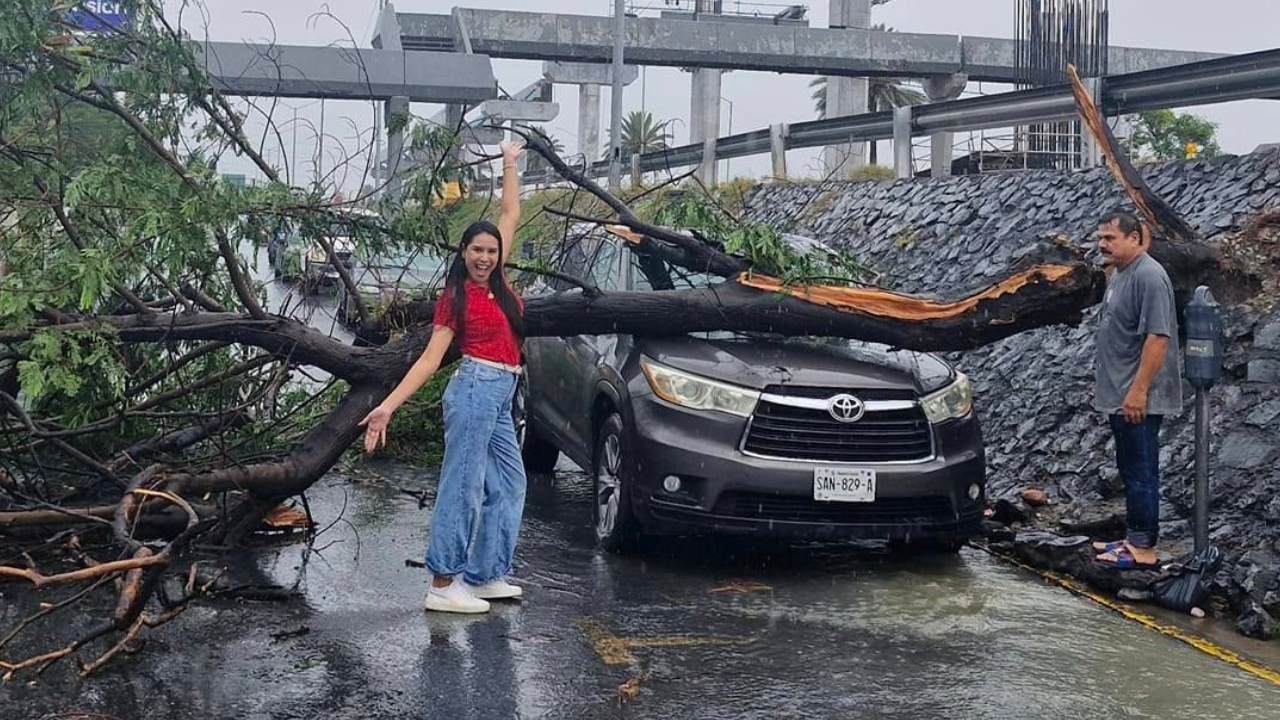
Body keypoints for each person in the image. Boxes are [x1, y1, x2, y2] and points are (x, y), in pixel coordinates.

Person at [360, 141, 528, 613]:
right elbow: (431, 358)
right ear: (464, 251)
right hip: (475, 389)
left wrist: (509, 162)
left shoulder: (499, 284)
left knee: (511, 485)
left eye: (491, 250)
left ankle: (486, 573)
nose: (486, 257)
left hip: (501, 394)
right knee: (463, 485)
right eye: (477, 250)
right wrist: (388, 405)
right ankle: (443, 582)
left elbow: (510, 212)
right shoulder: (455, 296)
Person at [1090, 211, 1183, 569]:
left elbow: (1158, 338)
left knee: (1142, 469)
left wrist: (1138, 391)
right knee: (1129, 467)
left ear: (1135, 238)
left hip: (1137, 397)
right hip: (1119, 393)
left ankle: (1144, 549)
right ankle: (1132, 539)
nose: (1102, 244)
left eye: (1110, 238)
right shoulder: (1120, 274)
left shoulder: (1149, 276)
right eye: (1100, 237)